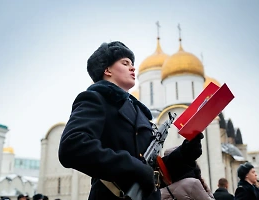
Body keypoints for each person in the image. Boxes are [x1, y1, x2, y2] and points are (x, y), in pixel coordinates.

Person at [58, 41, 203, 200]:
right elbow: (72, 146)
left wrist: (185, 153)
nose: (133, 67)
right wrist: (130, 167)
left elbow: (151, 169)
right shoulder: (96, 99)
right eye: (125, 63)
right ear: (107, 69)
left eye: (132, 63)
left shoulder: (140, 112)